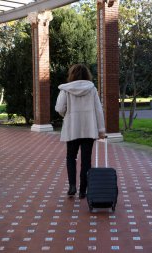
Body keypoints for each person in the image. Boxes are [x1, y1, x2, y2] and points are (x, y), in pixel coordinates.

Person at [55, 64, 106, 199]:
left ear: (71, 75)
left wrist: (67, 115)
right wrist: (101, 130)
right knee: (86, 160)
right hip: (89, 129)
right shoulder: (92, 89)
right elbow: (98, 110)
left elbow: (59, 108)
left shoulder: (65, 90)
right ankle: (83, 190)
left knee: (71, 157)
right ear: (87, 75)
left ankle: (72, 186)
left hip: (72, 129)